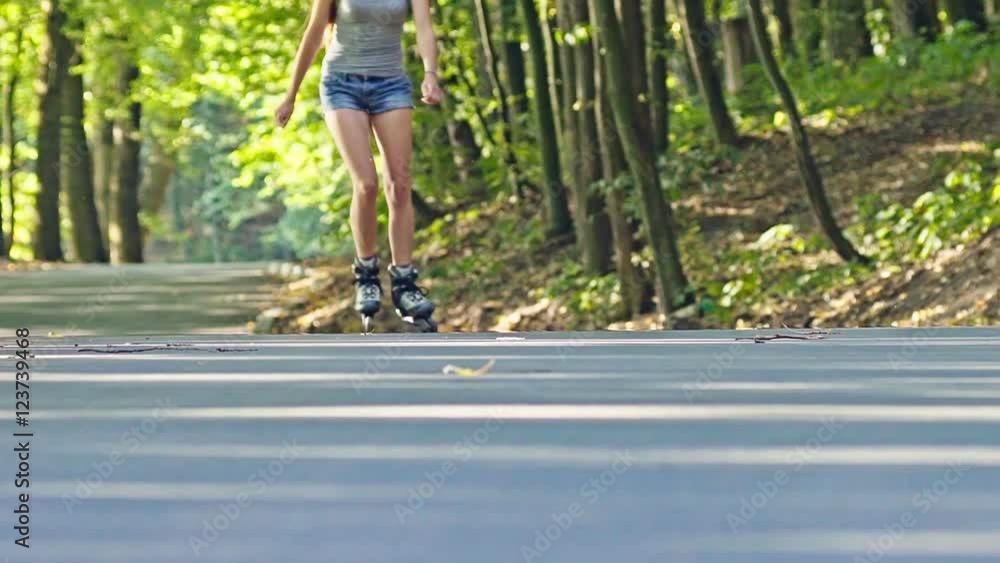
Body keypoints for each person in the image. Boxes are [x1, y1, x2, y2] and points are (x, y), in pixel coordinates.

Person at [275, 0, 443, 330]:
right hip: (341, 84)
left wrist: (430, 74)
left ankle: (405, 283)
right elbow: (314, 33)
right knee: (366, 184)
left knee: (400, 184)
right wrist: (291, 94)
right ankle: (366, 274)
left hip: (391, 84)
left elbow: (424, 27)